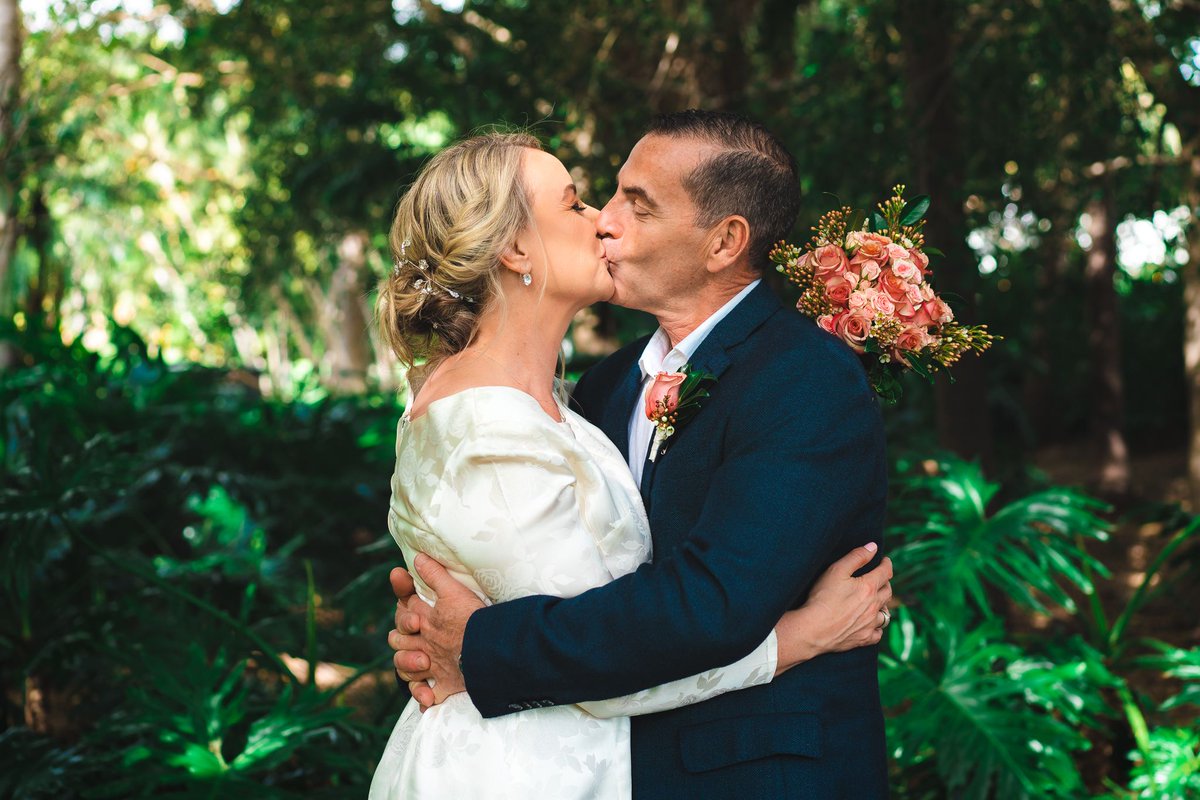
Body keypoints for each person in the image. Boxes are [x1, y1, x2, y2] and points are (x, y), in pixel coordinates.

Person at [373, 123, 892, 799]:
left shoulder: (802, 378)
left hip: (755, 774)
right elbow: (563, 602)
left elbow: (711, 602)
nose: (605, 223)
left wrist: (476, 648)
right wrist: (454, 639)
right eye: (594, 199)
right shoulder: (603, 387)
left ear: (724, 242)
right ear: (511, 248)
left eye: (637, 206)